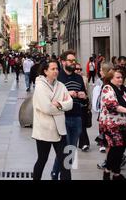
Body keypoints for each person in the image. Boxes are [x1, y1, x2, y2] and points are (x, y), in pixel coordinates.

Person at [32, 60, 73, 180]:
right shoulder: (40, 86)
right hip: (44, 130)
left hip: (60, 130)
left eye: (57, 69)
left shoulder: (61, 85)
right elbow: (47, 108)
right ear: (45, 71)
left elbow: (69, 103)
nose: (56, 71)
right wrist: (62, 108)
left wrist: (59, 104)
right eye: (53, 69)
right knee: (42, 160)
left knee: (65, 163)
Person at [51, 50, 88, 180]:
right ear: (63, 62)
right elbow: (52, 99)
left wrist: (83, 95)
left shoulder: (79, 77)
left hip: (77, 116)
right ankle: (59, 174)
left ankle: (61, 173)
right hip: (63, 117)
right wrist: (67, 94)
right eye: (70, 60)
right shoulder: (58, 77)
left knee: (71, 149)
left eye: (74, 61)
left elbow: (84, 95)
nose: (73, 63)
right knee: (64, 148)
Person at [100, 69, 126, 180]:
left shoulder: (124, 88)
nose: (120, 79)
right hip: (112, 124)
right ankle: (107, 172)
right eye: (117, 77)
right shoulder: (107, 88)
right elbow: (113, 106)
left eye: (121, 77)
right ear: (111, 78)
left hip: (124, 124)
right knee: (115, 149)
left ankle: (116, 174)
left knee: (121, 149)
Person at [75, 63, 91, 152]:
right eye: (76, 69)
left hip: (83, 104)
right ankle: (82, 143)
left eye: (80, 69)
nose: (78, 71)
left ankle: (84, 143)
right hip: (73, 105)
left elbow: (88, 92)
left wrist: (89, 104)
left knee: (82, 125)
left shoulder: (84, 79)